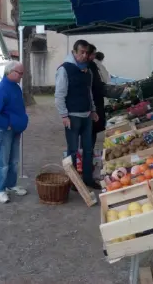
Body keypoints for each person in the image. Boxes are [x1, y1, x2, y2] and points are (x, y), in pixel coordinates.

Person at [55, 39, 100, 190]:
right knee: (73, 150)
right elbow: (59, 95)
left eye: (86, 53)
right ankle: (74, 181)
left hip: (86, 116)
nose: (84, 55)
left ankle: (88, 179)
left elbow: (89, 93)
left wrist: (93, 110)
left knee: (88, 149)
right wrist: (64, 116)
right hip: (72, 117)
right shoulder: (64, 69)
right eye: (81, 52)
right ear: (74, 52)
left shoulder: (88, 70)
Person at [0, 61, 29, 203]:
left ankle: (10, 185)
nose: (21, 76)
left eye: (22, 73)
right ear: (10, 72)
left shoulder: (15, 87)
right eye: (20, 73)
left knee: (14, 160)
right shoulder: (1, 89)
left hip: (15, 128)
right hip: (5, 130)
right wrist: (8, 125)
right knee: (3, 161)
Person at [87, 45, 106, 148]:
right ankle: (85, 158)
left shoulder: (92, 65)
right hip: (91, 103)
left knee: (92, 131)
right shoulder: (87, 66)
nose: (95, 55)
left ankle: (89, 154)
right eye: (93, 53)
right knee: (89, 132)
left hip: (96, 102)